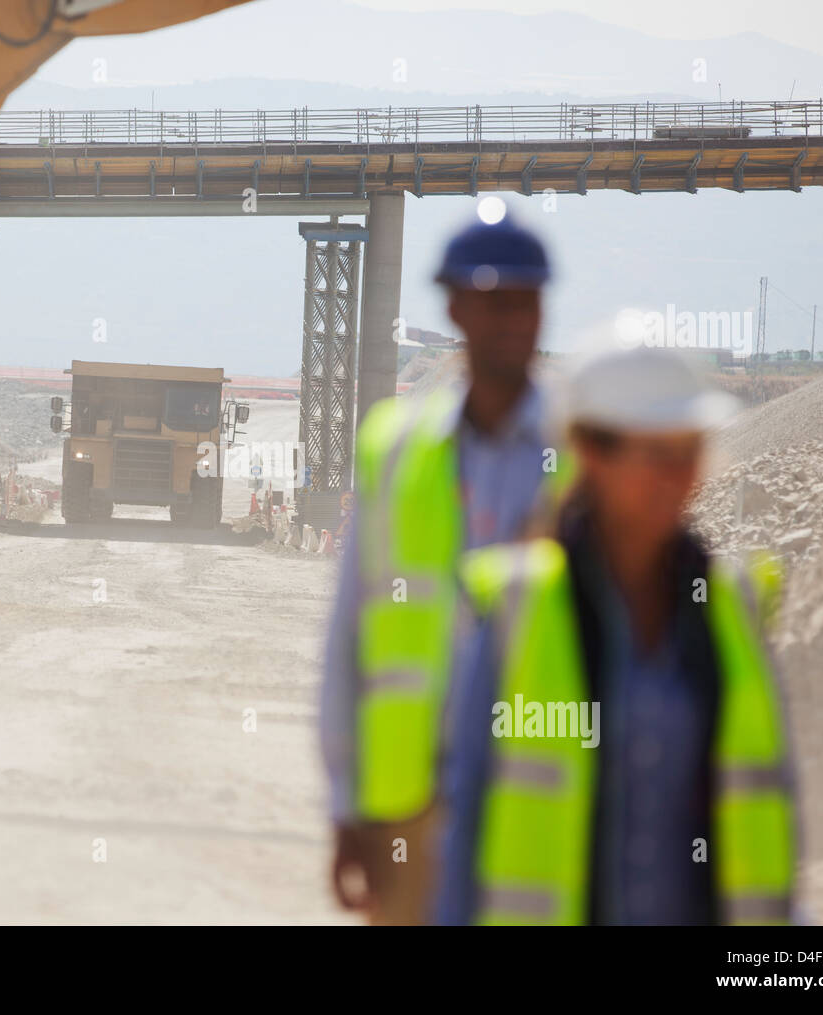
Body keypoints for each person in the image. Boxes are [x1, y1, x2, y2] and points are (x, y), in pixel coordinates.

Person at [436, 339, 797, 925]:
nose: (675, 477)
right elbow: (464, 821)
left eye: (686, 453)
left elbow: (769, 816)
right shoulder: (522, 609)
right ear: (590, 452)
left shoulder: (730, 609)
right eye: (653, 454)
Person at [320, 204, 569, 925]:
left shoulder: (583, 457)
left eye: (525, 300)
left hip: (543, 796)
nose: (511, 319)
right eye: (493, 300)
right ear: (455, 307)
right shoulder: (396, 449)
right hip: (410, 807)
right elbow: (349, 638)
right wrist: (346, 805)